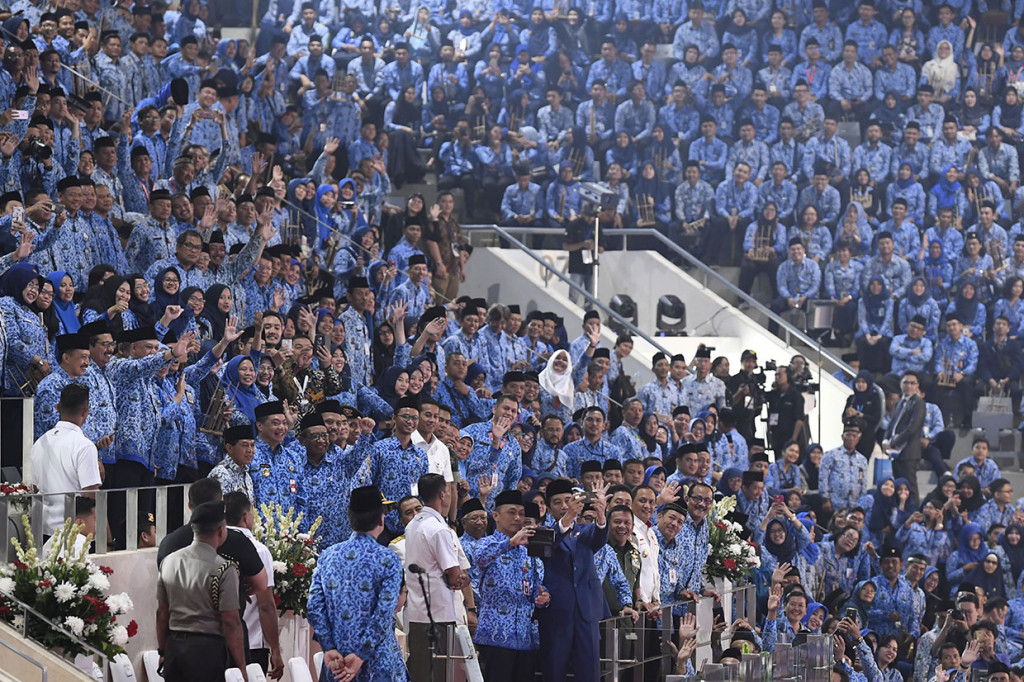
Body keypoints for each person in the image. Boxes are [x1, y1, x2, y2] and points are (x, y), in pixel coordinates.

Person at [307, 485, 409, 682]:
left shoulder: (328, 556)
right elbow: (384, 612)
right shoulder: (388, 559)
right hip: (377, 662)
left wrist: (328, 647)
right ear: (381, 519)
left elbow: (314, 608)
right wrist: (362, 654)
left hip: (336, 663)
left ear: (350, 518)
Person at [156, 501, 247, 682]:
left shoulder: (169, 561)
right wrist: (241, 668)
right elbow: (231, 621)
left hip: (175, 647)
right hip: (207, 652)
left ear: (193, 528)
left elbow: (162, 613)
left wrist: (163, 650)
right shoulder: (223, 568)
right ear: (221, 530)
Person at [472, 489, 550, 680]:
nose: (517, 518)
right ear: (496, 516)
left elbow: (536, 586)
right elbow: (480, 558)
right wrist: (510, 543)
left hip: (525, 637)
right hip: (494, 635)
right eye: (511, 512)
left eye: (521, 514)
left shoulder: (530, 551)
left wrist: (543, 597)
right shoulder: (485, 543)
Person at [404, 472, 469, 682]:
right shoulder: (439, 530)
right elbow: (454, 576)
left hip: (416, 612)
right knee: (439, 676)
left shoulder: (412, 525)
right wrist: (463, 578)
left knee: (420, 673)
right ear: (443, 494)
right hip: (438, 615)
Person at [30, 382, 102, 539]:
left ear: (57, 408)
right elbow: (91, 498)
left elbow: (35, 488)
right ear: (86, 411)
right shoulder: (84, 446)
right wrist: (107, 540)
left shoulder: (39, 443)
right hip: (74, 534)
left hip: (43, 530)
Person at [883, 371, 926, 504]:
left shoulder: (919, 403)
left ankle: (914, 514)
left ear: (917, 385)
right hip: (895, 451)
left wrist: (894, 442)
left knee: (910, 487)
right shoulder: (899, 402)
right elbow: (891, 425)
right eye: (906, 382)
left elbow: (912, 428)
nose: (909, 386)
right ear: (900, 384)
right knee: (898, 485)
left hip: (908, 452)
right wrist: (885, 441)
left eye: (912, 383)